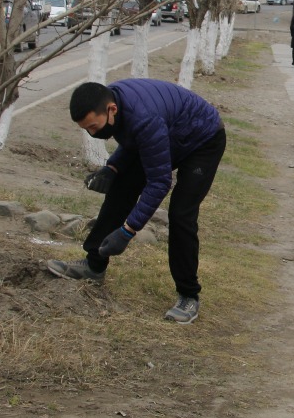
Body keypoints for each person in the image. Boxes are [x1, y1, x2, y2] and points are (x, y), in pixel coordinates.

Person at [47, 79, 228, 325]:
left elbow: (159, 181)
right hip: (168, 132)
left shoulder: (144, 117)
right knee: (120, 187)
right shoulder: (111, 101)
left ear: (111, 109)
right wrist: (111, 167)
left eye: (93, 126)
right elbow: (133, 139)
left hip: (202, 140)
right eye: (86, 128)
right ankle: (94, 265)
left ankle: (188, 295)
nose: (92, 133)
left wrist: (128, 230)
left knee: (181, 214)